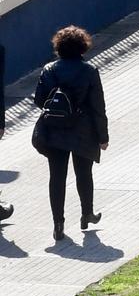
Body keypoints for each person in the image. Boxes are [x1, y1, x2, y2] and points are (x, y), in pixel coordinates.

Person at [34, 25, 109, 243]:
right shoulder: (89, 71)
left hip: (54, 130)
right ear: (82, 47)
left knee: (57, 177)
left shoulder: (49, 70)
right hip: (83, 131)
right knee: (83, 173)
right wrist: (103, 137)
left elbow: (39, 99)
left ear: (58, 47)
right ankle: (87, 214)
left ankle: (58, 223)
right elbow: (98, 107)